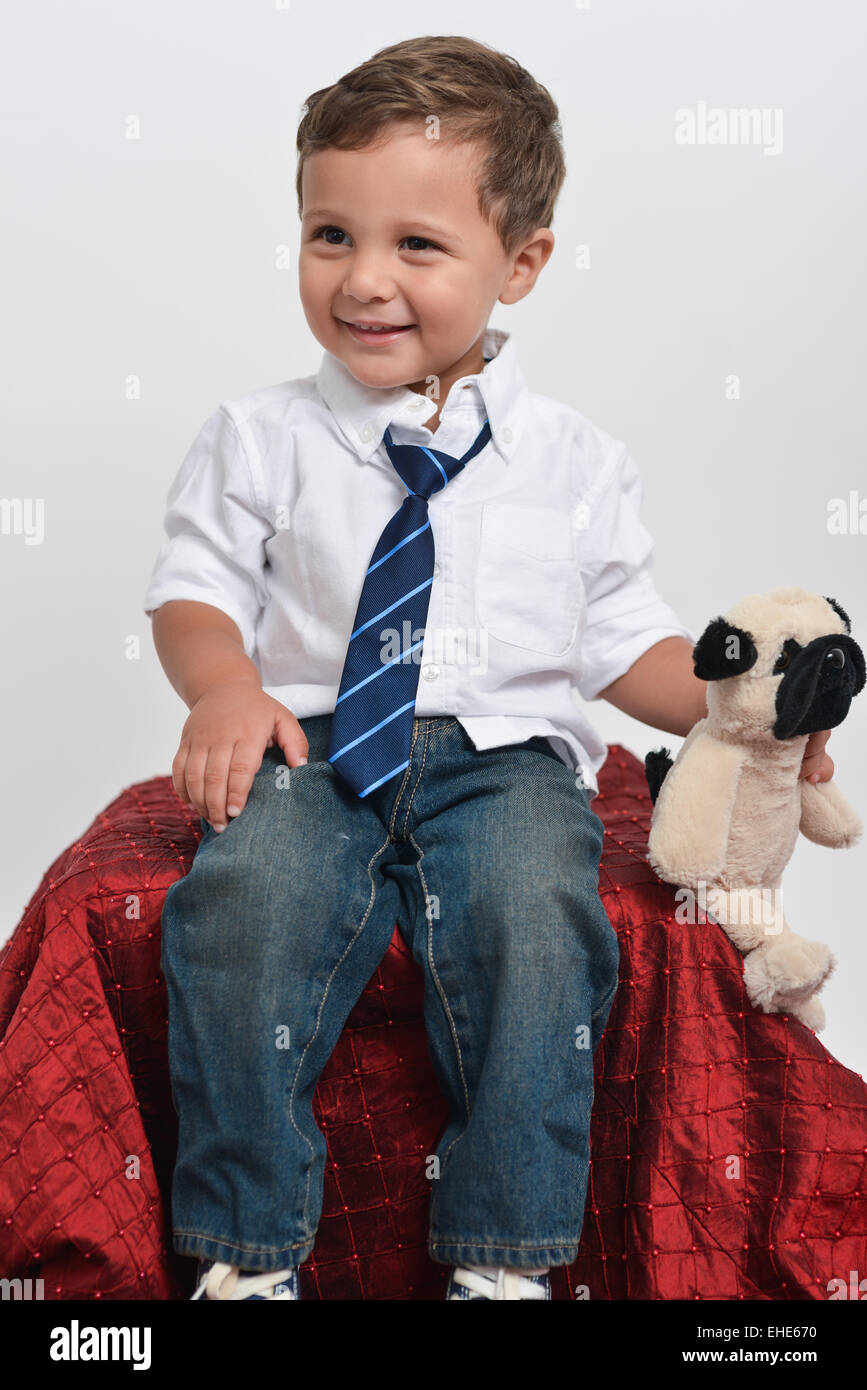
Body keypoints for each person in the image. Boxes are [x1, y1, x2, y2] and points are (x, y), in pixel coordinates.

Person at [143, 35, 833, 1302]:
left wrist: (742, 716)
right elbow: (194, 594)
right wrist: (224, 687)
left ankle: (505, 1255)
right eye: (330, 235)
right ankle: (247, 1243)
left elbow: (626, 640)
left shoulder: (571, 459)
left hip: (503, 760)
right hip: (313, 746)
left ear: (520, 264)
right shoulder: (258, 435)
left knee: (536, 915)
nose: (363, 281)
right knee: (243, 904)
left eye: (417, 245)